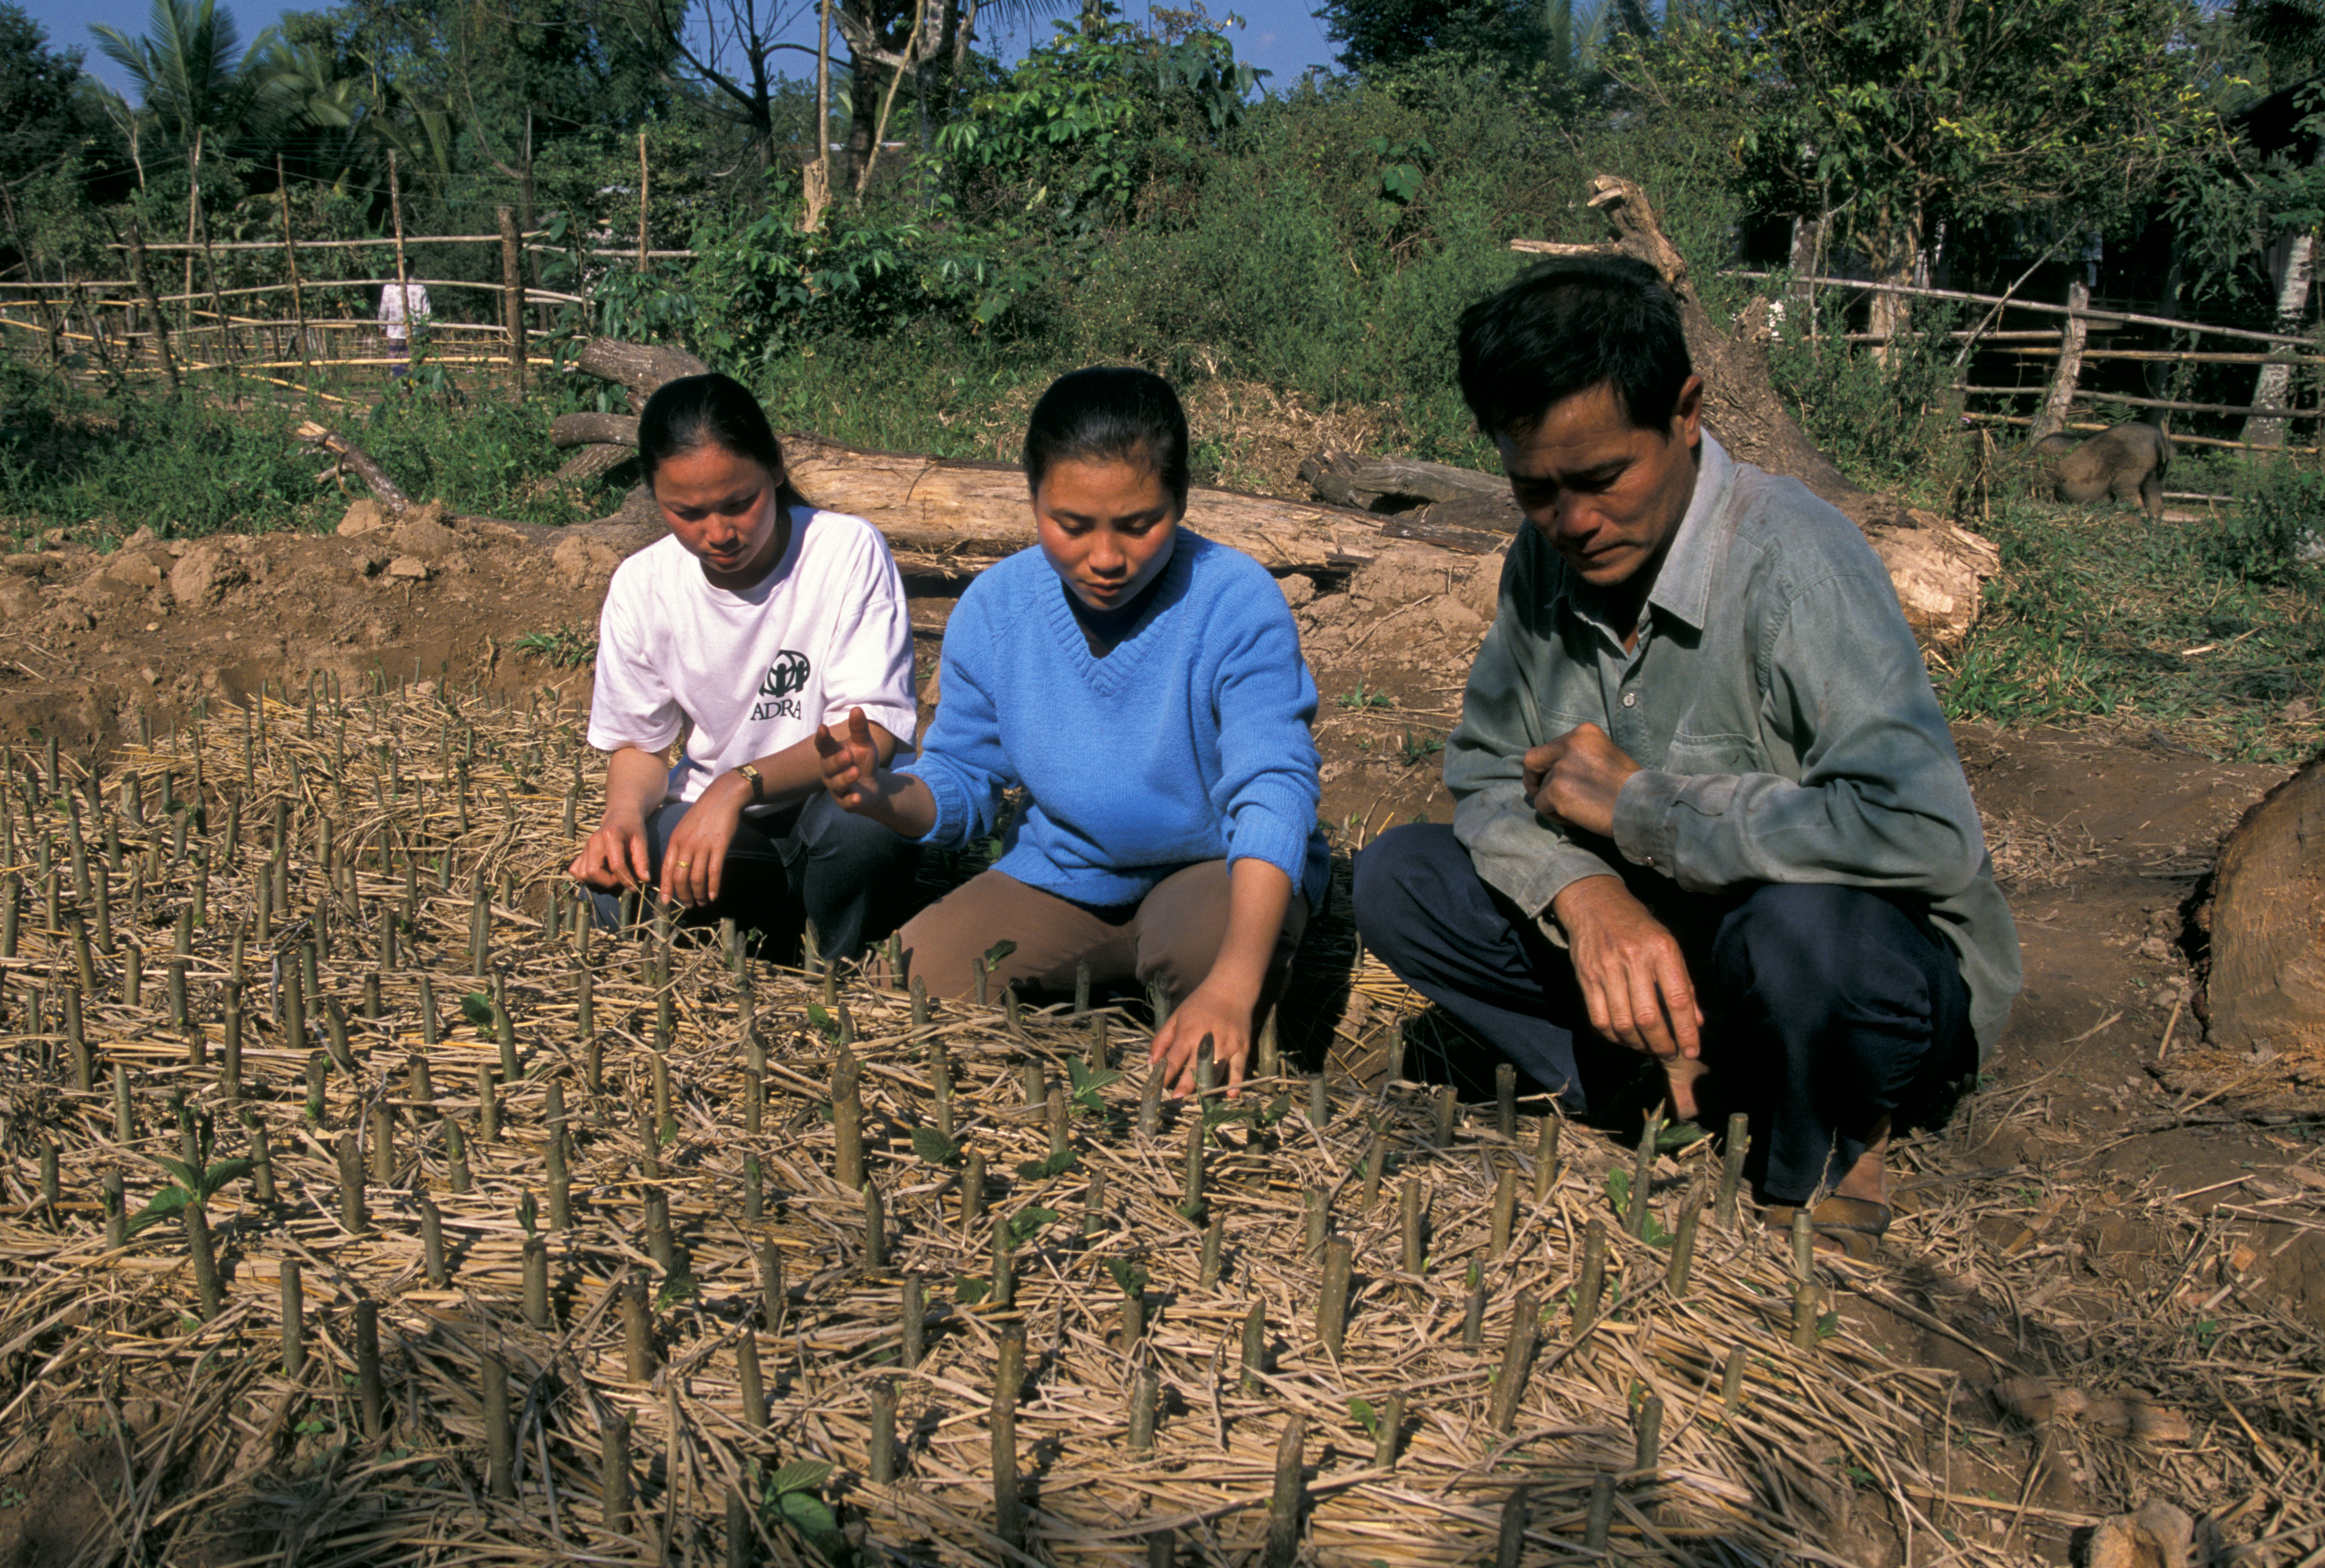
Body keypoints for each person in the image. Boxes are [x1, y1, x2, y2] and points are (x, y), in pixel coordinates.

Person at [1350, 257, 2020, 1258]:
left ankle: (1836, 1127)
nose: (1573, 522)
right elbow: (1488, 775)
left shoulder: (1797, 564)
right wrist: (1587, 897)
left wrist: (1645, 810)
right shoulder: (1543, 559)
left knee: (1802, 937)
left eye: (1602, 479)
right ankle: (1662, 1080)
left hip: (1840, 965)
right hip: (1680, 955)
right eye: (1534, 490)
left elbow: (1923, 832)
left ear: (1687, 412)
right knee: (1402, 878)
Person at [814, 367, 1328, 1094]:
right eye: (1073, 525)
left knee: (1207, 961)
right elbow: (963, 780)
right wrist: (882, 795)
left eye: (1139, 524)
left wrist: (1233, 983)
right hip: (1062, 874)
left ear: (1182, 501)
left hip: (1208, 869)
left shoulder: (1235, 601)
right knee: (908, 985)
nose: (1107, 558)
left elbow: (1274, 788)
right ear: (1033, 501)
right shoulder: (996, 608)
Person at [571, 371, 915, 961]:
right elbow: (639, 745)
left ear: (776, 468)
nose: (719, 533)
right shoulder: (641, 585)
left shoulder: (844, 551)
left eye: (740, 503)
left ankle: (836, 959)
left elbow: (873, 736)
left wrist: (737, 783)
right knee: (626, 879)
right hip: (727, 827)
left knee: (864, 818)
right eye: (687, 512)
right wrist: (622, 818)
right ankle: (775, 931)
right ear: (654, 495)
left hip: (826, 806)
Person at [377, 274, 430, 376]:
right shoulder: (420, 287)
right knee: (412, 360)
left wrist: (382, 326)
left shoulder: (389, 287)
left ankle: (400, 380)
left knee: (394, 359)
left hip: (396, 331)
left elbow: (384, 309)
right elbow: (427, 312)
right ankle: (408, 381)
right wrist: (426, 330)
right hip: (415, 332)